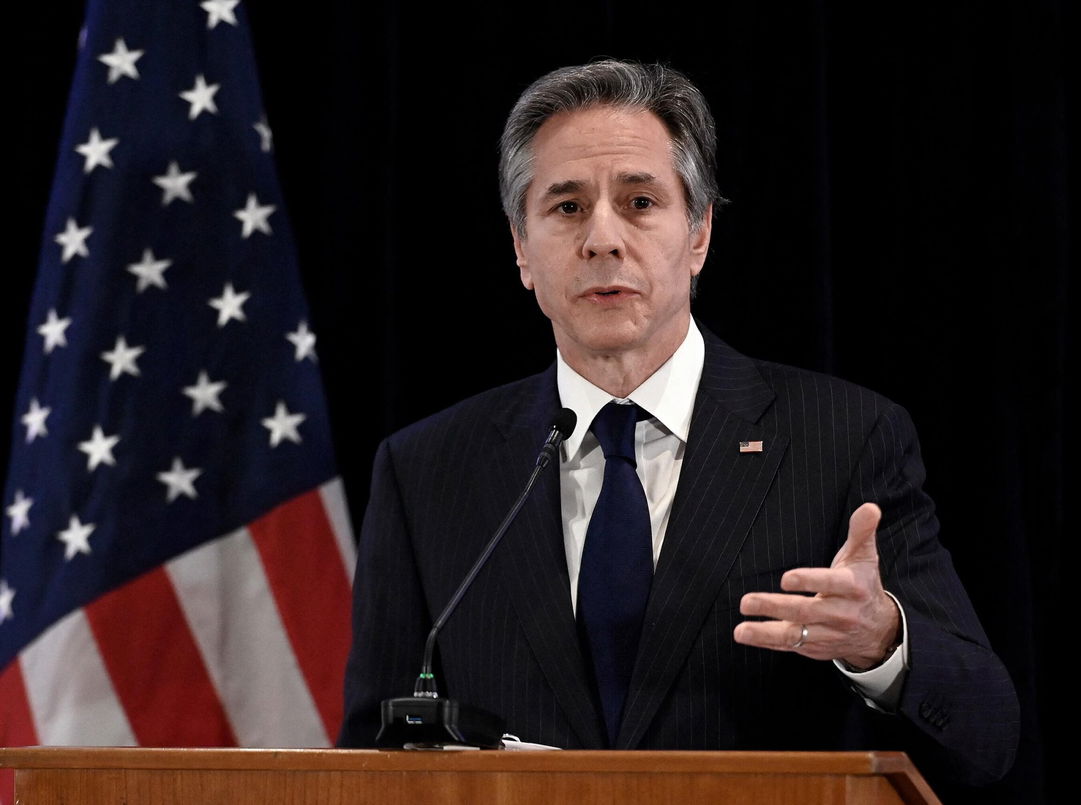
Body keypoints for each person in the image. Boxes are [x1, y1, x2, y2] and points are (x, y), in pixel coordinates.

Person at [338, 58, 1019, 790]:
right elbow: (373, 755)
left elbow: (988, 738)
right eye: (566, 208)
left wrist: (882, 641)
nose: (602, 238)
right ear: (520, 248)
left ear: (698, 235)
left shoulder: (844, 440)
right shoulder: (427, 470)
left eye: (638, 201)